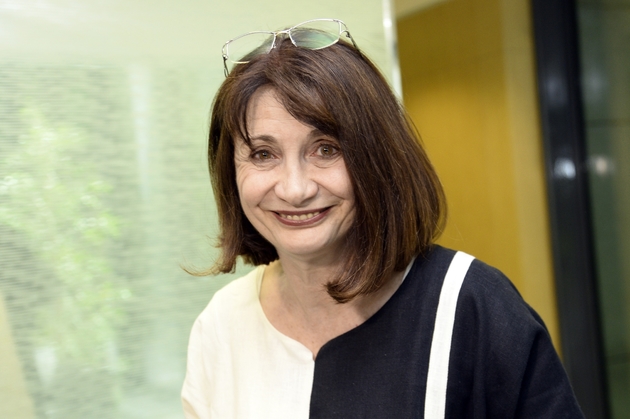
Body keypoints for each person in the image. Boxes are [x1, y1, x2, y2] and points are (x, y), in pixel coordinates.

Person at [182, 18, 584, 419]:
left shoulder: (472, 307)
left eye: (326, 149)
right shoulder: (223, 324)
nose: (294, 188)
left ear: (377, 157)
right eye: (263, 154)